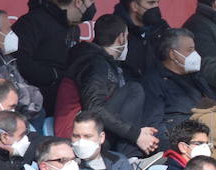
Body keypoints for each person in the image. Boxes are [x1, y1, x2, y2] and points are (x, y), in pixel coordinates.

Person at [59, 14, 156, 155]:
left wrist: (138, 132)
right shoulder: (94, 64)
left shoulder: (100, 61)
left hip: (89, 126)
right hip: (78, 133)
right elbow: (94, 108)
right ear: (121, 38)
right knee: (134, 90)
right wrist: (135, 134)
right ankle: (129, 157)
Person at [15, 0, 95, 112]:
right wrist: (55, 75)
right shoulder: (32, 22)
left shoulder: (74, 29)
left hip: (66, 103)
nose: (92, 7)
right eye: (91, 1)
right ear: (78, 2)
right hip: (34, 105)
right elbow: (19, 63)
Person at [0, 6, 41, 120]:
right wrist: (20, 96)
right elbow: (2, 94)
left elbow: (35, 95)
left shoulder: (8, 59)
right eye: (8, 29)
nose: (12, 33)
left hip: (19, 123)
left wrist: (18, 95)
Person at [142, 29, 211, 133]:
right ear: (172, 54)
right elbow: (154, 124)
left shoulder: (195, 76)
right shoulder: (153, 81)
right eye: (189, 50)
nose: (195, 54)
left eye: (194, 49)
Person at [110, 0, 168, 82]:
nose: (156, 7)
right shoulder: (114, 30)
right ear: (134, 6)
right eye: (151, 3)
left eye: (157, 3)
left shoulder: (161, 27)